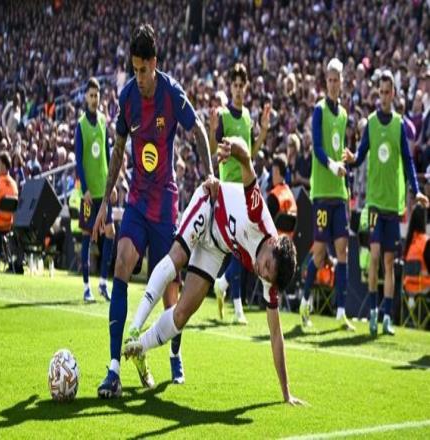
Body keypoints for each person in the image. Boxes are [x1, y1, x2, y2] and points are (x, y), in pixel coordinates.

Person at [123, 136, 305, 407]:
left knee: (182, 314)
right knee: (177, 258)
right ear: (273, 243)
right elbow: (247, 162)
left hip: (217, 247)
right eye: (266, 266)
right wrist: (233, 148)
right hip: (210, 204)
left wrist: (286, 393)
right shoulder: (259, 217)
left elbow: (276, 334)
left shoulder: (271, 278)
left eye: (267, 276)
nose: (262, 272)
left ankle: (138, 348)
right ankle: (134, 327)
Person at [92, 24, 214, 398]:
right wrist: (104, 202)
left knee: (170, 292)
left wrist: (209, 174)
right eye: (134, 70)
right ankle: (114, 369)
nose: (139, 77)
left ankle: (174, 354)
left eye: (143, 70)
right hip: (137, 202)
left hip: (166, 205)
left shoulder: (172, 94)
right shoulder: (127, 97)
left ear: (155, 64)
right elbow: (117, 150)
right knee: (121, 262)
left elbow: (199, 131)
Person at [344, 70, 429, 336]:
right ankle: (372, 312)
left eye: (387, 92)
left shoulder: (399, 125)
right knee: (374, 257)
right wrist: (352, 159)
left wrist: (416, 191)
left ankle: (387, 317)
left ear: (393, 94)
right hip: (375, 204)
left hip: (393, 205)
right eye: (380, 92)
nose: (383, 96)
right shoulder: (370, 123)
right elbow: (361, 155)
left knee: (390, 262)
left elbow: (408, 161)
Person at [208, 62, 270, 324]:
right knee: (240, 246)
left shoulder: (246, 117)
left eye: (241, 85)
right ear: (230, 87)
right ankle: (237, 307)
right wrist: (212, 130)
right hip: (228, 188)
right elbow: (213, 150)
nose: (238, 89)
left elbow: (251, 154)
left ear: (246, 87)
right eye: (234, 85)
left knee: (245, 246)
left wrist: (263, 131)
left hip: (246, 186)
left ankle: (222, 284)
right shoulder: (223, 115)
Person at [299, 58, 355, 331]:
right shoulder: (319, 110)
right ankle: (304, 300)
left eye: (336, 80)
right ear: (326, 82)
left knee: (343, 249)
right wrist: (333, 166)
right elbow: (319, 148)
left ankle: (341, 311)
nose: (333, 84)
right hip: (322, 191)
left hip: (339, 193)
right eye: (329, 80)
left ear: (342, 82)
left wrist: (346, 172)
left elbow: (339, 148)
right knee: (320, 253)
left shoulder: (343, 114)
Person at [75, 77, 115, 303]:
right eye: (91, 95)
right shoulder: (81, 125)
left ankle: (102, 283)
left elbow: (108, 156)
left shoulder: (102, 121)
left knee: (110, 233)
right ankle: (86, 287)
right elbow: (78, 161)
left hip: (104, 192)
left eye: (96, 95)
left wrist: (112, 184)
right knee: (87, 237)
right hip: (89, 194)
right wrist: (85, 190)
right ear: (85, 97)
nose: (94, 99)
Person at [267, 154, 297, 237]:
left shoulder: (273, 195)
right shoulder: (290, 193)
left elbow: (268, 226)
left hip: (277, 241)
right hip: (291, 240)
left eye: (272, 172)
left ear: (276, 171)